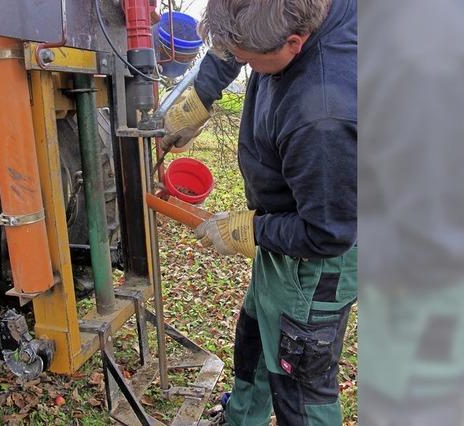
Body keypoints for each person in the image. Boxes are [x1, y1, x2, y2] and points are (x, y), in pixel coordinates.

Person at [162, 0, 357, 424]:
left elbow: (329, 233)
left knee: (300, 386)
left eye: (250, 62)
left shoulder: (323, 116)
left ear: (294, 43)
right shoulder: (282, 13)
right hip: (287, 222)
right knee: (253, 341)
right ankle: (240, 419)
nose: (242, 65)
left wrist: (245, 229)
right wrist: (200, 95)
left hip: (320, 256)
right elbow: (235, 44)